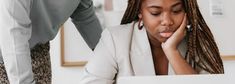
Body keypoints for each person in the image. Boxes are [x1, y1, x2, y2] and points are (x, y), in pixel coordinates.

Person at [80, 0, 224, 83]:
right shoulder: (114, 39)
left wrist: (172, 51)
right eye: (155, 13)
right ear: (140, 13)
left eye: (176, 10)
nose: (167, 21)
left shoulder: (197, 41)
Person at [0, 0, 102, 84]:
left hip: (39, 50)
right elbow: (13, 38)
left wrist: (109, 54)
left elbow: (85, 16)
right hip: (7, 51)